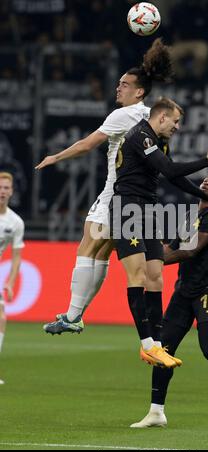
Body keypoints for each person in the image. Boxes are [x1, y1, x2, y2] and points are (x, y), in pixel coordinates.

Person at [35, 39, 174, 335]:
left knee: (89, 247)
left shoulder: (123, 115)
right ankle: (75, 314)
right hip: (140, 198)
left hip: (116, 194)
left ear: (139, 91)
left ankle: (74, 315)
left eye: (124, 84)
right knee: (100, 252)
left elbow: (88, 144)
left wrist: (55, 156)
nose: (118, 88)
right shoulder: (153, 118)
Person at [130, 175, 208, 424]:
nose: (207, 181)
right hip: (183, 291)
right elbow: (171, 248)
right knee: (163, 350)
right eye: (205, 180)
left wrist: (155, 261)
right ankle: (156, 411)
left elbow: (190, 250)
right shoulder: (190, 217)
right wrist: (141, 253)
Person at [109, 99, 208, 368]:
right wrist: (205, 161)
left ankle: (157, 345)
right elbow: (171, 170)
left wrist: (206, 196)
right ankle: (148, 345)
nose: (176, 127)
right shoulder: (140, 136)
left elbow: (173, 178)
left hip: (149, 209)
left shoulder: (159, 142)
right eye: (174, 121)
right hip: (127, 207)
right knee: (137, 274)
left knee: (156, 276)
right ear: (161, 117)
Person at [0, 172, 25, 385]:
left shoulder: (15, 222)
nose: (2, 191)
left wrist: (10, 281)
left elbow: (17, 257)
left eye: (6, 187)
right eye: (0, 187)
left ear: (11, 191)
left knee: (1, 317)